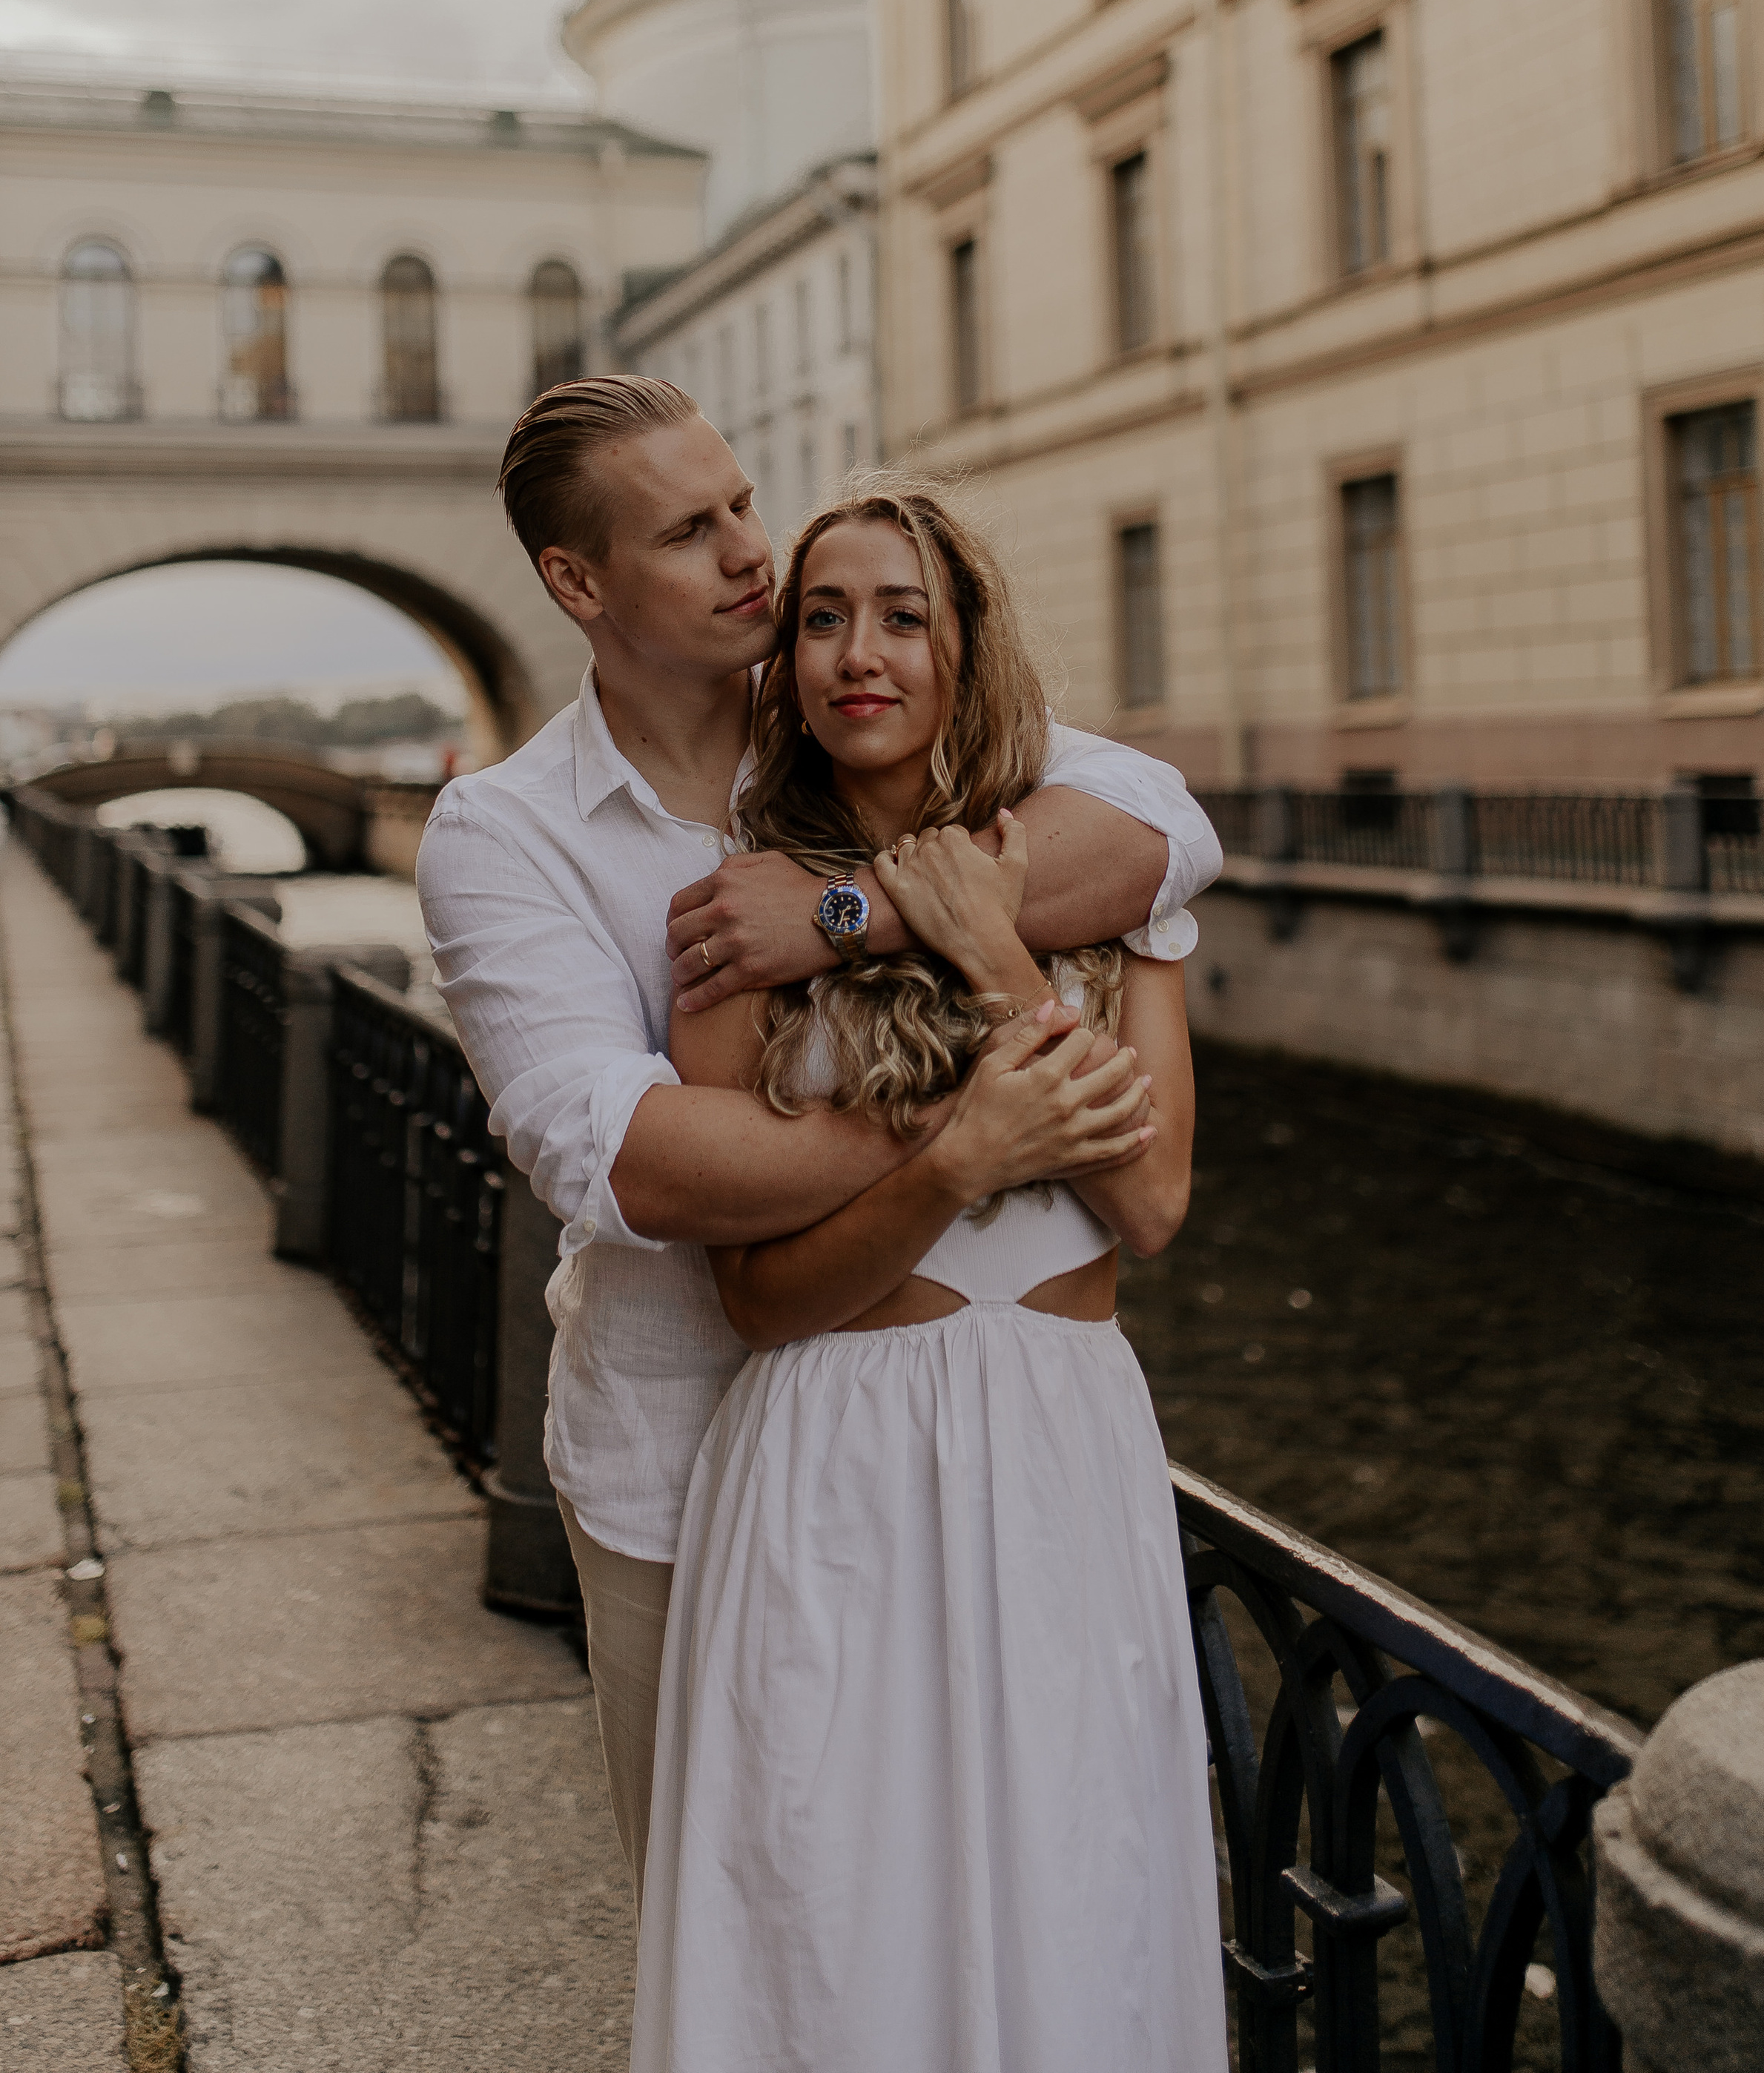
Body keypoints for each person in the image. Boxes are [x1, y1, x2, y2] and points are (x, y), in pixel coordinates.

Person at [415, 375, 1223, 1920]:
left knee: (1039, 1889)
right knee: (760, 1936)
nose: (748, 553)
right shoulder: (505, 834)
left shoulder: (864, 717)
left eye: (739, 506)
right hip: (695, 1459)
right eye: (689, 530)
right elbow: (639, 1157)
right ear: (577, 584)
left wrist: (844, 911)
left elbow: (1156, 831)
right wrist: (966, 1127)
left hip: (1010, 1444)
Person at [629, 480, 1227, 2073]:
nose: (855, 653)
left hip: (1058, 1448)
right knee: (834, 1922)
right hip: (832, 1462)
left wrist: (997, 963)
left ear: (968, 645)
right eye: (820, 618)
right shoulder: (738, 916)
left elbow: (1149, 1200)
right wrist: (958, 1157)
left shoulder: (1106, 889)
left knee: (1074, 1900)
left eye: (902, 615)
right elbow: (755, 1301)